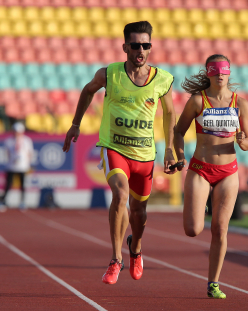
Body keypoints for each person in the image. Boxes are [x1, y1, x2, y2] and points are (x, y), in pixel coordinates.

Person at [63, 21, 178, 284]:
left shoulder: (162, 79)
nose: (141, 50)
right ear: (125, 47)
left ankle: (135, 248)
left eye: (146, 45)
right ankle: (116, 259)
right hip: (114, 148)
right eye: (136, 45)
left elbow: (170, 112)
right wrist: (75, 124)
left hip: (145, 155)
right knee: (120, 193)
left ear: (150, 47)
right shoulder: (109, 74)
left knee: (139, 213)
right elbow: (87, 91)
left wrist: (170, 149)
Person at [174, 55, 248, 299]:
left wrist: (243, 141)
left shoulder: (241, 103)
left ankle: (213, 283)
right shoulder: (198, 101)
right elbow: (178, 131)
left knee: (220, 228)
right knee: (193, 229)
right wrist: (178, 155)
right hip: (200, 169)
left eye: (224, 69)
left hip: (228, 173)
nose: (220, 73)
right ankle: (201, 205)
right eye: (215, 69)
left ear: (229, 73)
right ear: (208, 73)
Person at [0, 122, 34, 211]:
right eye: (15, 131)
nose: (16, 133)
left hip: (23, 166)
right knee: (8, 185)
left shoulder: (27, 140)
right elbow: (7, 153)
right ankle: (3, 201)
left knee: (22, 185)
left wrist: (28, 164)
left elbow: (30, 153)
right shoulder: (8, 141)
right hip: (11, 166)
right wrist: (9, 161)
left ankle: (22, 202)